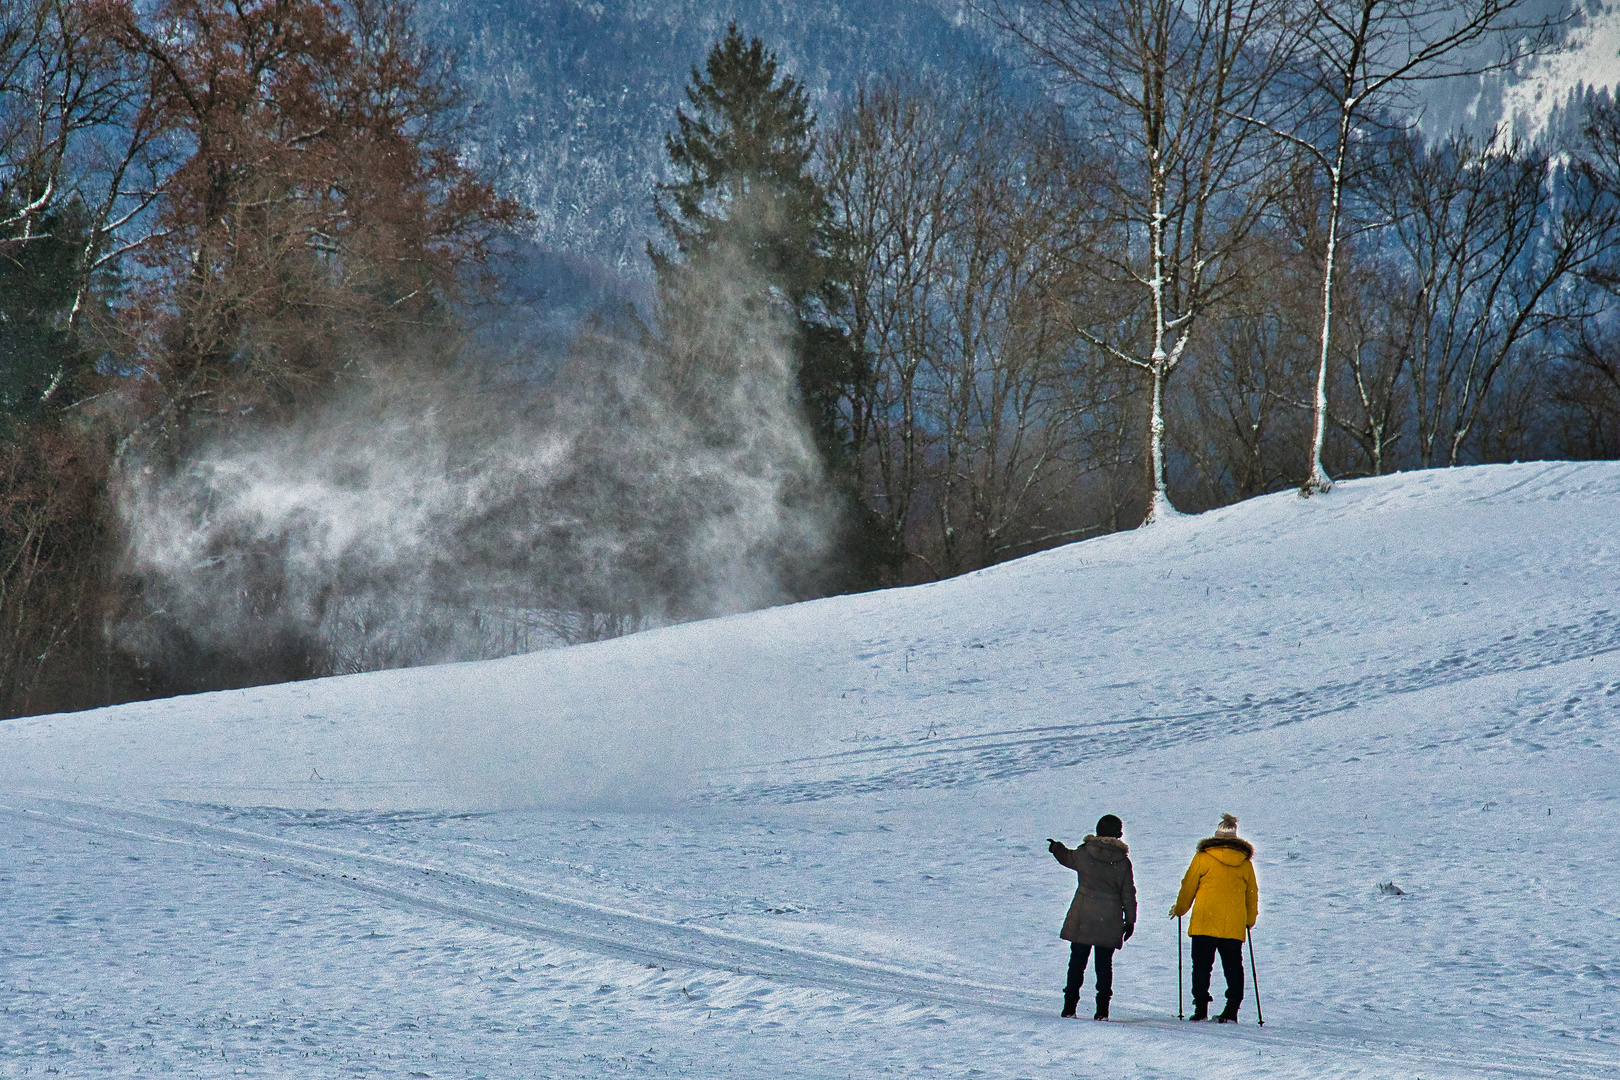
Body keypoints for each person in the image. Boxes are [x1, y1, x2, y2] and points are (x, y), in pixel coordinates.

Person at [1168, 813, 1258, 1022]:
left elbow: (1188, 886)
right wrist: (1249, 920)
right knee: (1233, 967)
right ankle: (1232, 1009)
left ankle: (1200, 1008)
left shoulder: (1203, 858)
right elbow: (1251, 894)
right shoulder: (1245, 864)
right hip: (1233, 925)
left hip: (1204, 922)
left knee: (1201, 966)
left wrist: (1180, 909)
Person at [1047, 814, 1137, 1020]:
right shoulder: (1122, 862)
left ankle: (1069, 1007)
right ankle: (1102, 1011)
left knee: (1077, 962)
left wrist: (1055, 847)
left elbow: (1066, 857)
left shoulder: (1085, 853)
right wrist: (1130, 920)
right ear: (1117, 834)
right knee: (1104, 965)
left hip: (1084, 917)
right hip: (1110, 919)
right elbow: (1128, 894)